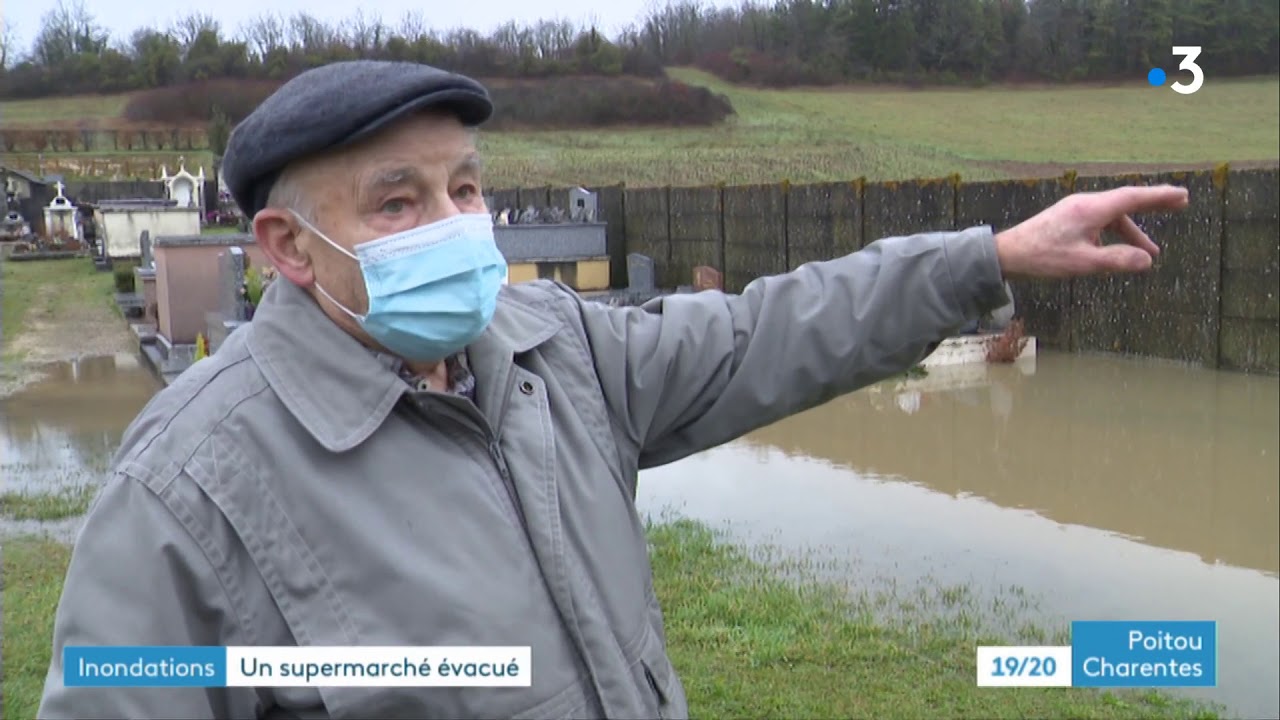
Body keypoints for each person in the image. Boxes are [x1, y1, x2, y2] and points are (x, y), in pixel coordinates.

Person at [36, 60, 1189, 720]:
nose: (454, 227)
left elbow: (770, 332)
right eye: (397, 203)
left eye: (464, 189)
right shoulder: (187, 491)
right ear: (287, 247)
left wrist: (986, 258)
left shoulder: (556, 354)